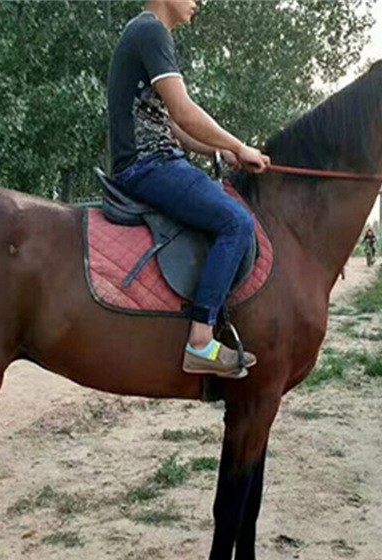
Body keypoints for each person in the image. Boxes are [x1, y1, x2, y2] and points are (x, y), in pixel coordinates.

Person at [107, 0, 270, 378]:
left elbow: (174, 126)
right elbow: (183, 110)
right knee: (236, 223)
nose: (199, 2)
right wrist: (241, 144)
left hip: (152, 158)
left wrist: (224, 150)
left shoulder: (146, 32)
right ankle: (200, 341)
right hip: (148, 164)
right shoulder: (151, 31)